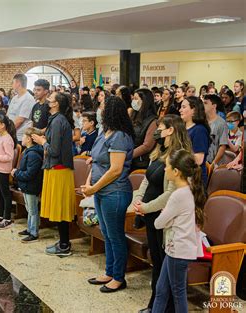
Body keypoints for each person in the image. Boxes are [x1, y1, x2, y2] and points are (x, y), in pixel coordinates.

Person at [130, 115, 192, 313]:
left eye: (161, 127)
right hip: (149, 211)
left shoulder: (177, 156)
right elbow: (147, 179)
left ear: (171, 130)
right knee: (156, 261)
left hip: (162, 214)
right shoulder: (159, 150)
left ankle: (163, 307)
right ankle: (155, 304)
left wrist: (146, 207)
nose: (158, 130)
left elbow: (170, 193)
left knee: (163, 262)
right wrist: (138, 200)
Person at [85, 96, 134, 292]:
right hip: (100, 190)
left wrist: (94, 188)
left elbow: (115, 169)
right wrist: (89, 183)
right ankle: (109, 271)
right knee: (106, 233)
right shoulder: (104, 132)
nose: (99, 109)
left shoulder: (120, 136)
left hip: (115, 192)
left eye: (102, 106)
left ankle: (119, 277)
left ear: (111, 111)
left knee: (115, 235)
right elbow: (94, 160)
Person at [152, 149, 205, 313]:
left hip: (179, 251)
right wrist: (169, 219)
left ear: (176, 171)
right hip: (175, 249)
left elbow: (158, 223)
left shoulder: (178, 195)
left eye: (167, 166)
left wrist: (166, 218)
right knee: (161, 290)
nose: (164, 169)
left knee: (178, 294)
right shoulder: (188, 190)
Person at [32, 92, 76, 256]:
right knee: (59, 208)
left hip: (59, 170)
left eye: (51, 97)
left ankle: (64, 245)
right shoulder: (56, 119)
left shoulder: (58, 121)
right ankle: (63, 242)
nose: (48, 98)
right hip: (55, 169)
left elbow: (55, 150)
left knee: (61, 208)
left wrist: (42, 142)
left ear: (55, 104)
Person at [12, 127, 44, 242]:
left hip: (31, 185)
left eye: (24, 136)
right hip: (26, 185)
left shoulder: (33, 154)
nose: (22, 139)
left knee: (32, 210)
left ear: (30, 139)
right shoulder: (28, 151)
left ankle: (34, 232)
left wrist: (16, 173)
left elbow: (30, 174)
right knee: (28, 207)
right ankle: (30, 228)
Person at [179, 96, 210, 187]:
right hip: (182, 174)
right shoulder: (182, 128)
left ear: (194, 110)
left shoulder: (199, 130)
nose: (180, 110)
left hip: (194, 179)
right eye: (181, 107)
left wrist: (177, 156)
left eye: (184, 107)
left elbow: (198, 159)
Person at [131, 89, 157, 171]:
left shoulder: (153, 121)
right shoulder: (134, 115)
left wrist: (128, 155)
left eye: (136, 99)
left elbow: (147, 146)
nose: (133, 101)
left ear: (144, 101)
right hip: (131, 159)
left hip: (141, 161)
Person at [7, 74, 36, 144]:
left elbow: (20, 120)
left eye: (13, 83)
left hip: (20, 136)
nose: (12, 85)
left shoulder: (28, 98)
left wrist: (7, 131)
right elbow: (8, 114)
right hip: (11, 133)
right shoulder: (14, 98)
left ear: (18, 84)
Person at [203, 94, 228, 166]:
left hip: (213, 164)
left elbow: (222, 146)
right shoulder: (201, 121)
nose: (202, 105)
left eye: (206, 103)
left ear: (214, 106)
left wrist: (213, 163)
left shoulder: (221, 123)